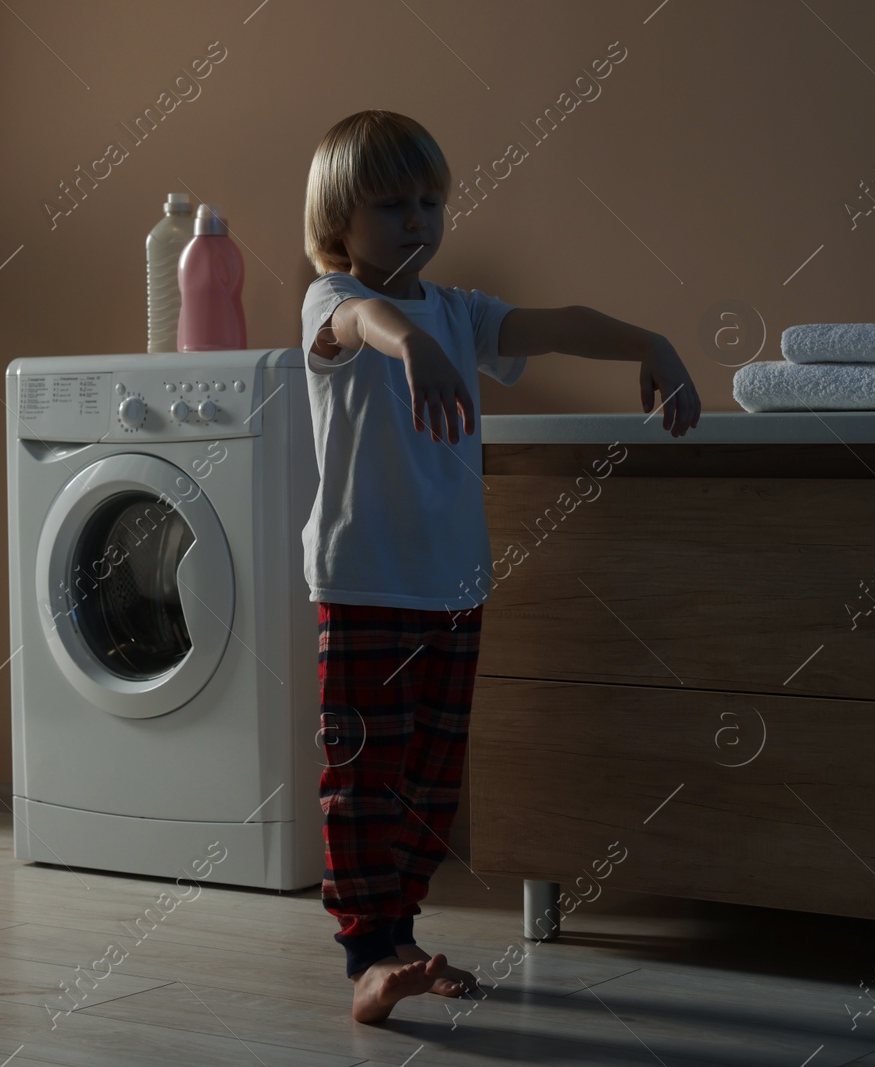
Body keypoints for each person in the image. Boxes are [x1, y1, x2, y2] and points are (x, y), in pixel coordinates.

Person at [299, 109, 700, 1024]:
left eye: (431, 201)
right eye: (393, 203)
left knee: (432, 775)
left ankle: (400, 938)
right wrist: (410, 342)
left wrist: (650, 342)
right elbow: (360, 320)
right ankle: (366, 956)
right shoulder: (332, 301)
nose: (419, 220)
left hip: (454, 588)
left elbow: (559, 323)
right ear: (339, 226)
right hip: (366, 587)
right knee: (364, 771)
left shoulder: (459, 311)